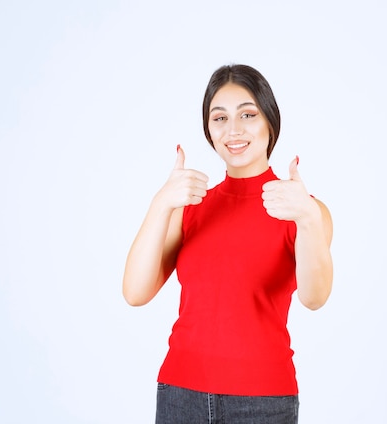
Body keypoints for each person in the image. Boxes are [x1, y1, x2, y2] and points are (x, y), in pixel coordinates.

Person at [122, 64, 333, 424]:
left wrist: (308, 218)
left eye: (247, 115)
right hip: (179, 395)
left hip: (264, 402)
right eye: (219, 118)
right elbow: (135, 292)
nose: (233, 130)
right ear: (208, 129)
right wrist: (161, 203)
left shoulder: (302, 209)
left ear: (270, 122)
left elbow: (315, 298)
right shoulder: (190, 205)